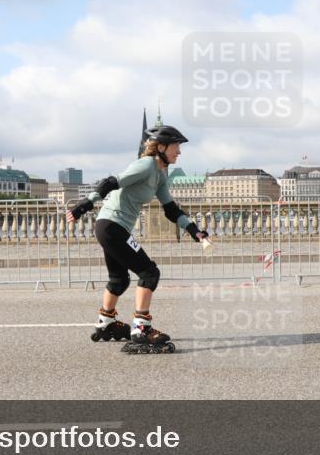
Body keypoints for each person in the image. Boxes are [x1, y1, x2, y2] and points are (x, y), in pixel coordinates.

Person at [66, 125, 212, 354]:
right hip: (111, 226)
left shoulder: (161, 175)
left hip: (112, 227)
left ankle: (106, 323)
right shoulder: (146, 165)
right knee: (149, 273)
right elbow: (112, 181)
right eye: (176, 147)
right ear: (161, 147)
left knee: (119, 279)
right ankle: (141, 328)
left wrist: (195, 231)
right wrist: (84, 205)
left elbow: (171, 209)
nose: (179, 152)